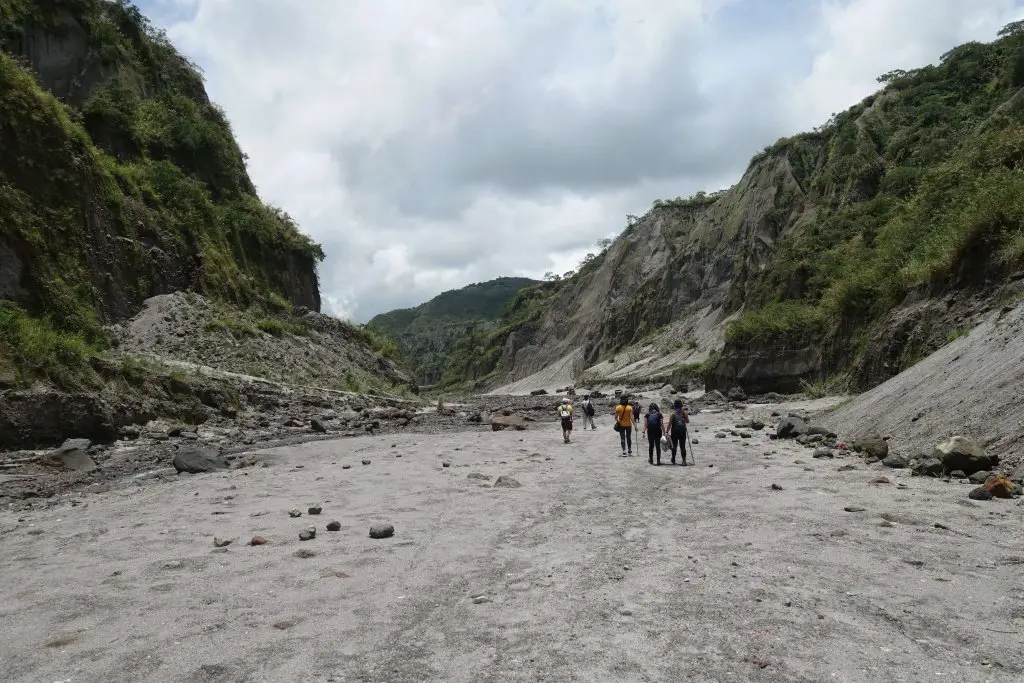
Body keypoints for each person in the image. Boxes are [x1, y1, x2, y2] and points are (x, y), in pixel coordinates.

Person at [668, 398, 690, 465]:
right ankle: (684, 461)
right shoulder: (684, 413)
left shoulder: (672, 414)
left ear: (674, 405)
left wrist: (666, 432)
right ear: (681, 405)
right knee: (682, 446)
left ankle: (673, 459)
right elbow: (687, 421)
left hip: (674, 432)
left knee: (674, 445)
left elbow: (669, 424)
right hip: (682, 431)